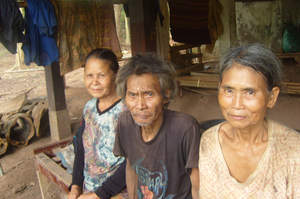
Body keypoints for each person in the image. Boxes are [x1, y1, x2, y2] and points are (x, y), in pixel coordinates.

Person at [199, 44, 300, 198]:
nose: (236, 104)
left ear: (271, 98)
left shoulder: (292, 148)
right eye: (229, 90)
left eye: (250, 92)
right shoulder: (210, 142)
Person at [114, 53, 201, 199]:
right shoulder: (125, 124)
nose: (140, 106)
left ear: (166, 95)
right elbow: (131, 168)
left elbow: (198, 187)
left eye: (149, 94)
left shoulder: (185, 128)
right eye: (132, 95)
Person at [68, 49, 127, 199]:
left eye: (102, 75)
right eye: (89, 75)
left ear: (116, 74)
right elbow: (81, 150)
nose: (94, 82)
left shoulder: (127, 111)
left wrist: (98, 195)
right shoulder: (89, 108)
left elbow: (133, 162)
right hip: (88, 190)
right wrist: (75, 185)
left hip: (117, 192)